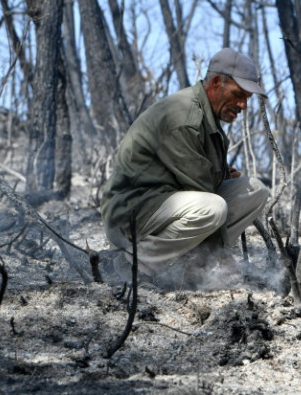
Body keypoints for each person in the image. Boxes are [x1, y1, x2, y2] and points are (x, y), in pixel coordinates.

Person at [101, 47, 269, 287]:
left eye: (247, 99)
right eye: (238, 94)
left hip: (162, 205)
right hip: (131, 212)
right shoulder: (184, 118)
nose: (243, 105)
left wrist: (221, 173)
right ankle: (131, 264)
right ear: (215, 83)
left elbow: (198, 177)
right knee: (213, 208)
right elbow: (201, 188)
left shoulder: (206, 115)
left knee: (255, 189)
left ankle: (195, 265)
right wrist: (222, 256)